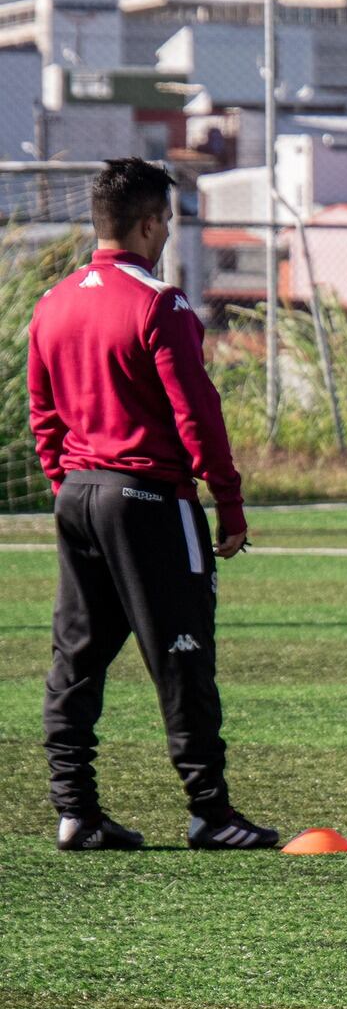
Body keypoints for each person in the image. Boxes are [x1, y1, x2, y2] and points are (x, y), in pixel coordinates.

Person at [31, 158, 275, 851]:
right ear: (148, 223)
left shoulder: (53, 302)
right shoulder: (158, 303)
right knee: (183, 653)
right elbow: (198, 412)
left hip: (78, 493)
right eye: (166, 219)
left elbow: (42, 412)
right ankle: (211, 812)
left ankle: (75, 809)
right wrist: (228, 502)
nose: (167, 230)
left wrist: (67, 485)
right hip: (148, 498)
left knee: (75, 657)